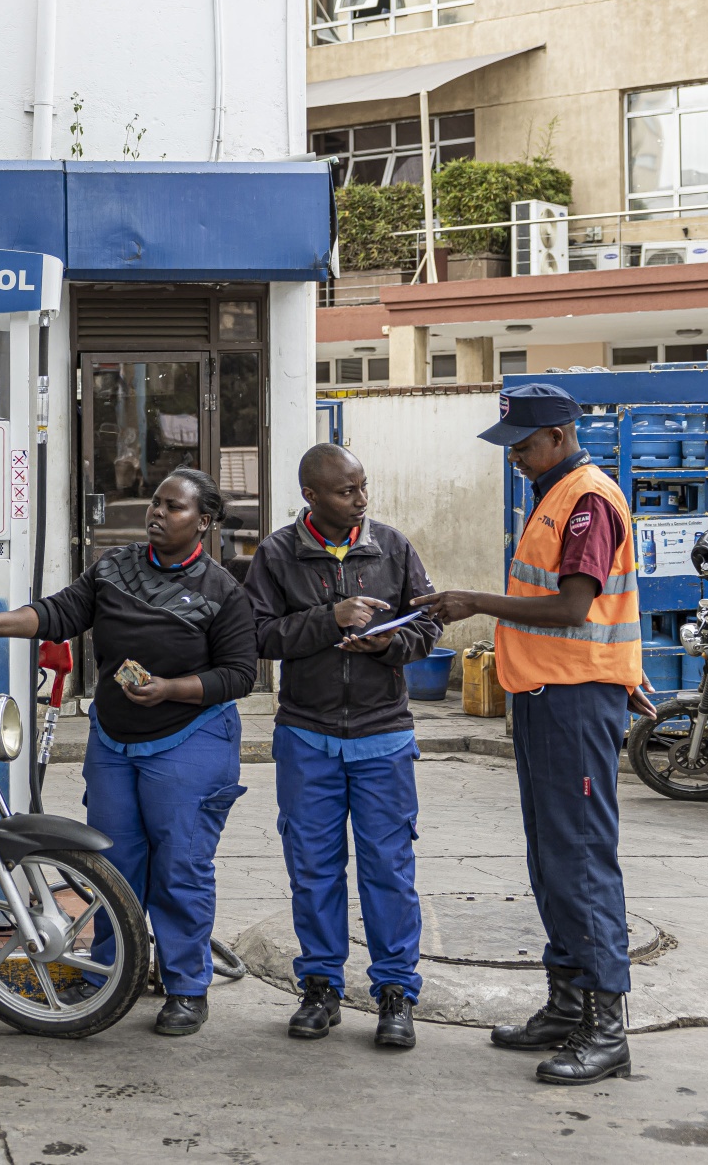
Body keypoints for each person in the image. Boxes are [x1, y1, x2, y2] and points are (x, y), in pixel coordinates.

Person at [0, 467, 255, 1036]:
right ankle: (114, 970)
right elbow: (60, 612)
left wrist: (168, 689)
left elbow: (239, 675)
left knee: (180, 868)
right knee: (113, 865)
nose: (158, 514)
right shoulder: (114, 569)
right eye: (156, 503)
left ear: (205, 522)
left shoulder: (223, 593)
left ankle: (186, 986)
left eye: (175, 507)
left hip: (190, 739)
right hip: (115, 740)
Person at [416, 383, 654, 1087]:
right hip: (553, 697)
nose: (515, 458)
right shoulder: (554, 493)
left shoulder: (587, 499)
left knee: (580, 861)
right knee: (551, 858)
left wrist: (471, 602)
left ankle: (607, 1029)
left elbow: (576, 606)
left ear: (558, 435)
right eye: (510, 447)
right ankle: (565, 1004)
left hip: (576, 702)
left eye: (522, 445)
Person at [244, 444, 438, 1050]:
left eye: (362, 487)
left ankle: (395, 994)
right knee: (314, 869)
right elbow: (257, 636)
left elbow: (427, 625)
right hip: (307, 734)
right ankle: (322, 986)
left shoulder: (393, 546)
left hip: (383, 735)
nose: (360, 500)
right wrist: (332, 619)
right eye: (346, 491)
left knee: (389, 870)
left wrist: (387, 647)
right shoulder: (277, 554)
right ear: (311, 495)